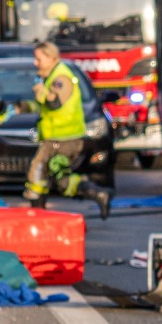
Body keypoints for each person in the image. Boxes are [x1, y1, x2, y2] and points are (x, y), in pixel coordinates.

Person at [24, 41, 112, 218]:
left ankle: (37, 215)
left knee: (39, 173)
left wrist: (41, 91)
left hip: (63, 139)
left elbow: (54, 102)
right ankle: (97, 194)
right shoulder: (51, 77)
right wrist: (14, 108)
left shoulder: (61, 78)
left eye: (38, 59)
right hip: (56, 139)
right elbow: (40, 106)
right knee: (56, 180)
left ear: (51, 58)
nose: (35, 63)